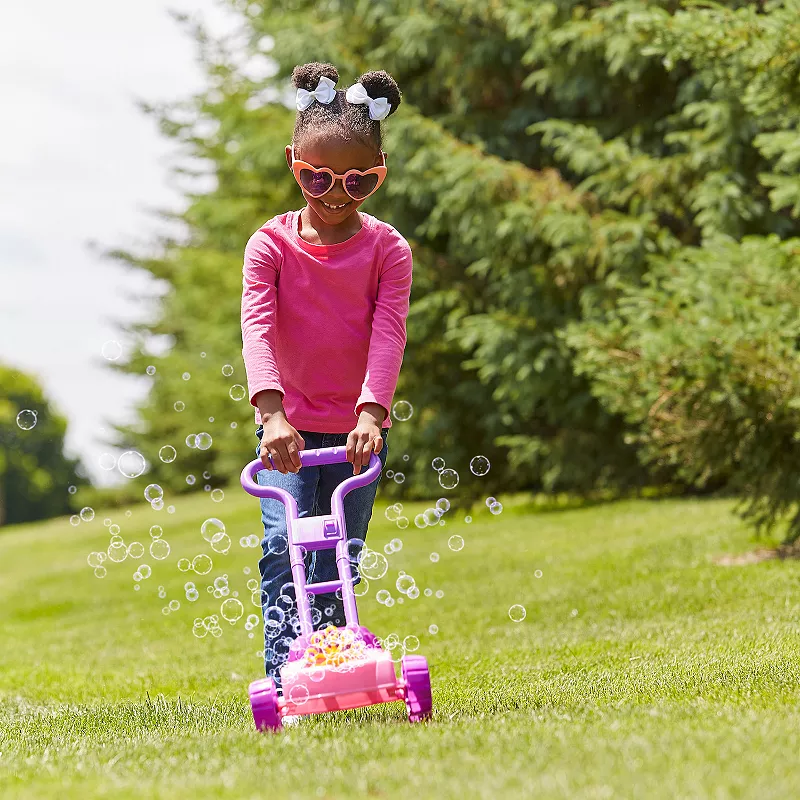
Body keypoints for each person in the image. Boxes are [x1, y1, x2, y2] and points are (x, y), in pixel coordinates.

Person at [240, 61, 412, 691]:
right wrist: (272, 414)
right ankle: (286, 678)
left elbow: (388, 332)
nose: (336, 192)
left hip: (354, 433)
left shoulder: (389, 250)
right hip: (284, 432)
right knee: (285, 556)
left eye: (357, 181)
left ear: (379, 175)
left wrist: (372, 411)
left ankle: (337, 673)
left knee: (340, 555)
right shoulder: (270, 246)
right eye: (317, 177)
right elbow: (257, 329)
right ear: (293, 163)